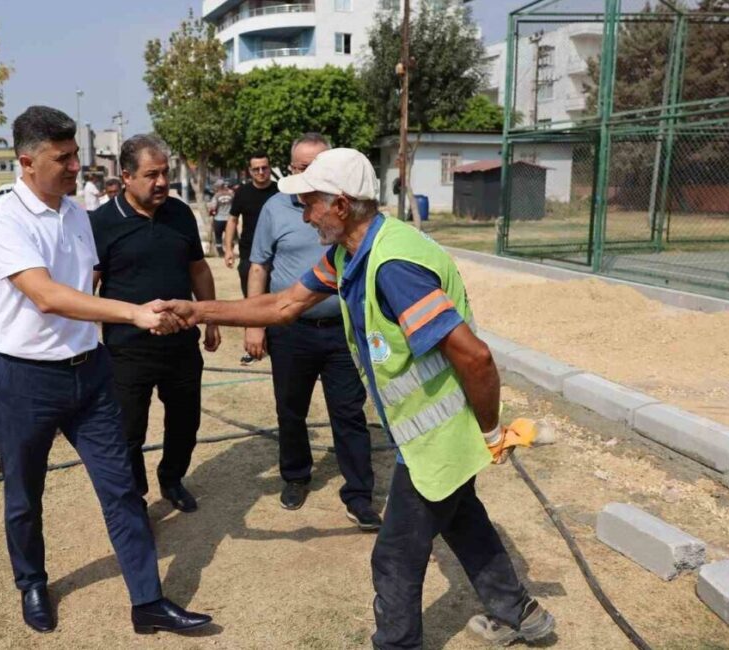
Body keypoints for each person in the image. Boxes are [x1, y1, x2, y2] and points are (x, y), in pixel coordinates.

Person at [158, 148, 556, 648]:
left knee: (394, 556)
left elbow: (475, 358)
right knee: (465, 523)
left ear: (341, 205)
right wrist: (198, 311)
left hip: (437, 438)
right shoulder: (352, 252)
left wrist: (491, 431)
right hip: (431, 435)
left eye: (311, 205)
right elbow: (283, 305)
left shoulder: (393, 268)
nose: (304, 216)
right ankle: (521, 614)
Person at [0, 106, 211, 635]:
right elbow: (48, 296)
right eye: (62, 158)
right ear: (26, 162)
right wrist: (133, 313)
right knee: (24, 494)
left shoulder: (76, 214)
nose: (75, 165)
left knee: (121, 490)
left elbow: (89, 288)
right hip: (24, 378)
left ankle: (147, 603)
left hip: (91, 371)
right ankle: (32, 582)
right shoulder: (3, 221)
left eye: (76, 154)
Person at [245, 134, 378, 530]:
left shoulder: (349, 213)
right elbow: (259, 267)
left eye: (315, 166)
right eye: (300, 167)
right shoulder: (275, 208)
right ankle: (296, 476)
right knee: (290, 409)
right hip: (292, 330)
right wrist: (255, 324)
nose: (307, 174)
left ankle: (359, 494)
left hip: (341, 330)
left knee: (349, 412)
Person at [91, 135, 220, 514]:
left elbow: (198, 268)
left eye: (164, 172)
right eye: (152, 175)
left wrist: (210, 319)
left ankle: (172, 478)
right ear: (126, 176)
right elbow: (89, 286)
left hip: (181, 345)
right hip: (127, 350)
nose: (162, 182)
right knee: (128, 432)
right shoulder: (101, 222)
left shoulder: (180, 214)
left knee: (185, 421)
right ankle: (136, 499)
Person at [224, 152, 278, 364]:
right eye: (256, 169)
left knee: (276, 303)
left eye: (264, 168)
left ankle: (275, 346)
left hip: (277, 256)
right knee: (252, 304)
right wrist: (228, 249)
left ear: (269, 167)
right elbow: (232, 220)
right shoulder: (243, 193)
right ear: (250, 171)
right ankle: (253, 347)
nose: (261, 172)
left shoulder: (279, 191)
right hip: (249, 256)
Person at [208, 179, 233, 256]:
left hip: (218, 219)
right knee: (230, 236)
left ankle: (221, 253)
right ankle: (230, 251)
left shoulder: (216, 196)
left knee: (218, 237)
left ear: (218, 187)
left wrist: (211, 212)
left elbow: (213, 208)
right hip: (229, 219)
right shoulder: (231, 195)